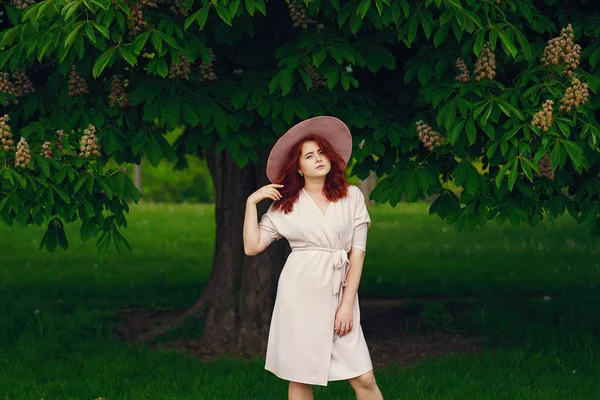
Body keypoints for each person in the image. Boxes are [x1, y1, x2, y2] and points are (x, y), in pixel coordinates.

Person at [243, 116, 383, 400]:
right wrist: (251, 203)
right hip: (299, 296)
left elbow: (357, 255)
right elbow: (252, 246)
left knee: (364, 378)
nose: (318, 159)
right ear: (298, 167)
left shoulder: (351, 196)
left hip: (339, 295)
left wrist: (346, 305)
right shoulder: (285, 207)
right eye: (309, 155)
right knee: (300, 377)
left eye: (321, 152)